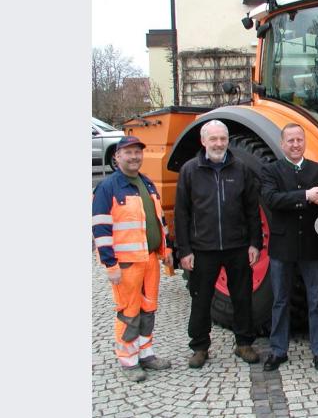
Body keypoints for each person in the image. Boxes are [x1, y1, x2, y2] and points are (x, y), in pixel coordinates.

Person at [174, 119, 262, 369]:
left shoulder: (241, 169)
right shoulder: (190, 171)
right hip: (203, 249)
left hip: (237, 247)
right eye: (213, 139)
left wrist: (254, 243)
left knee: (243, 297)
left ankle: (244, 343)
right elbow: (182, 213)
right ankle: (200, 346)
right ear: (203, 141)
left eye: (222, 138)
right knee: (201, 299)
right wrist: (184, 250)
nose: (219, 143)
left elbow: (252, 210)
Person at [92, 136, 174, 382]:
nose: (134, 157)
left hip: (149, 259)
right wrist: (110, 264)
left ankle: (146, 354)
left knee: (148, 309)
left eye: (138, 152)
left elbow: (159, 221)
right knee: (129, 312)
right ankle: (128, 360)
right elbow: (100, 228)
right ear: (117, 157)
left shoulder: (146, 183)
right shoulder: (108, 188)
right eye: (128, 152)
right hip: (126, 263)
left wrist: (166, 251)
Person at [260, 123, 318, 372]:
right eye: (290, 140)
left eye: (299, 140)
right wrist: (305, 196)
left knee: (316, 299)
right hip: (283, 246)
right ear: (282, 144)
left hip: (312, 245)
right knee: (280, 300)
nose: (295, 144)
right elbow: (272, 200)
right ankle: (278, 351)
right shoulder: (270, 171)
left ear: (305, 142)